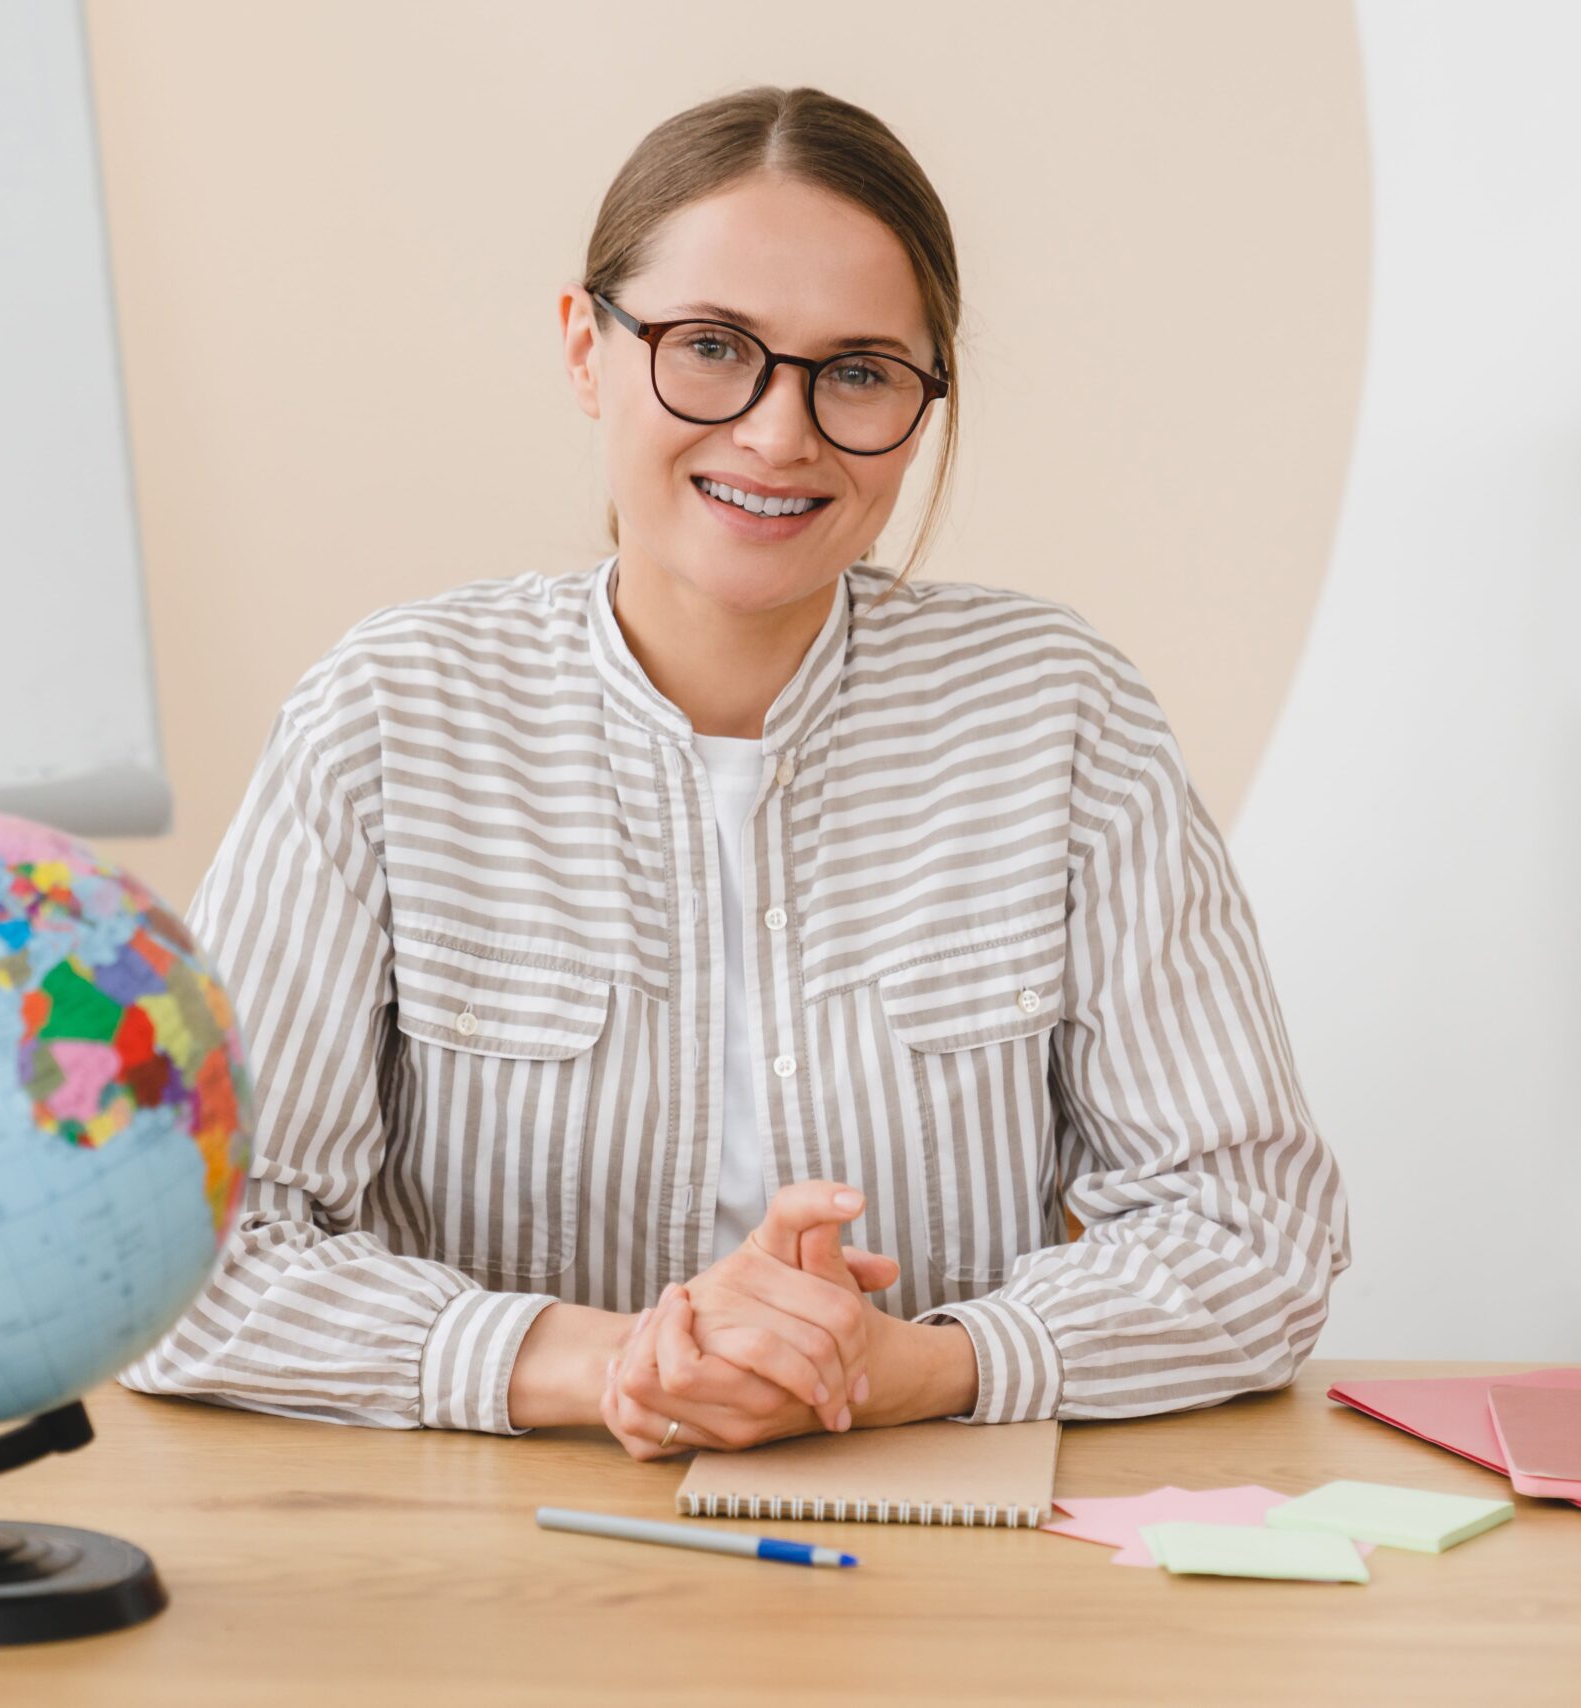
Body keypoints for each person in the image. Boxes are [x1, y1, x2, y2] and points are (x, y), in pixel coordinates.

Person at [115, 85, 1350, 1460]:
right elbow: (182, 1262)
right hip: (493, 1559)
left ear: (926, 403)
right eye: (711, 347)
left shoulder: (1062, 718)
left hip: (937, 1562)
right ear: (586, 347)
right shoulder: (387, 719)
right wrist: (614, 1364)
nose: (778, 433)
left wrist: (922, 1366)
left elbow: (1257, 1233)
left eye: (861, 371)